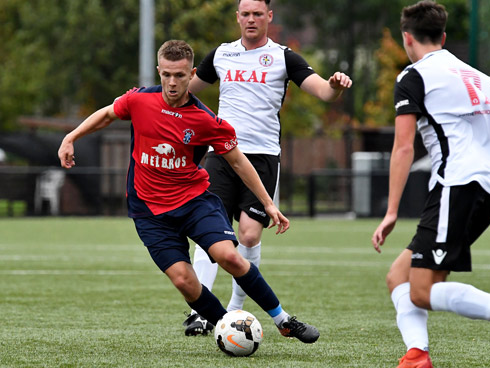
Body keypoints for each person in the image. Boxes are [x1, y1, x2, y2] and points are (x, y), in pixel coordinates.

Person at [58, 39, 319, 344]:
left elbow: (238, 162)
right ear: (158, 71)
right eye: (166, 74)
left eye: (180, 75)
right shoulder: (139, 100)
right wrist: (71, 137)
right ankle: (228, 328)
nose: (172, 82)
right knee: (184, 281)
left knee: (229, 257)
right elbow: (106, 114)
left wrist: (268, 204)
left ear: (191, 73)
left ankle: (283, 320)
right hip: (149, 211)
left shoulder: (205, 120)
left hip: (194, 202)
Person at [183, 0, 353, 335]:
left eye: (257, 14)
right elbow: (184, 90)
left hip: (261, 158)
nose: (250, 19)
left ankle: (232, 312)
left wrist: (334, 85)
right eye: (245, 14)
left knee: (248, 234)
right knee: (207, 233)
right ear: (237, 17)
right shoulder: (221, 54)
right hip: (221, 154)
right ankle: (199, 313)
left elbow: (321, 90)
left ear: (269, 17)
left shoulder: (283, 56)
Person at [370, 1, 490, 367]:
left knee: (421, 292)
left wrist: (391, 211)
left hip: (457, 185)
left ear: (407, 38)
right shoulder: (479, 78)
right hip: (485, 189)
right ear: (444, 36)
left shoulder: (414, 76)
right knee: (399, 277)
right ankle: (417, 355)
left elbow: (404, 146)